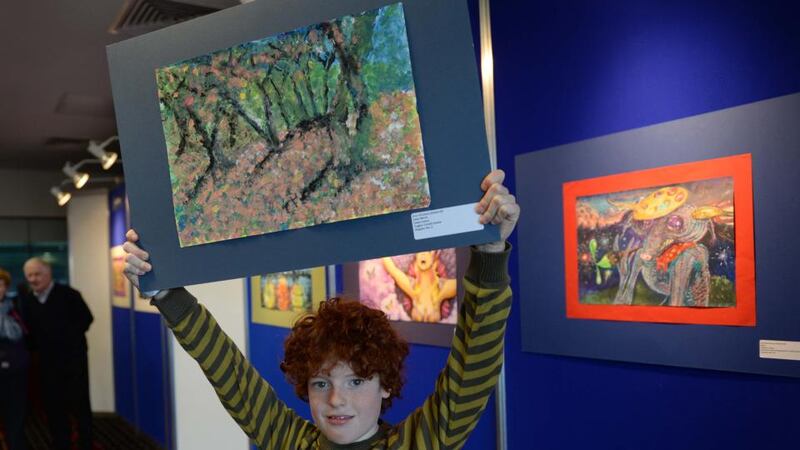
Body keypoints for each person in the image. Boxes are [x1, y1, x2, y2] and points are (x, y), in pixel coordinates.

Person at [123, 169, 520, 449]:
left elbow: (474, 366)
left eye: (356, 381)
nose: (336, 400)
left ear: (385, 386)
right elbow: (230, 373)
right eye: (321, 383)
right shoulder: (291, 441)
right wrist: (167, 294)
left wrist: (489, 252)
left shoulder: (423, 442)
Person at [20, 258, 94, 450]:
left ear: (48, 273)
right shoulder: (27, 301)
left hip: (73, 364)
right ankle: (61, 443)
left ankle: (86, 444)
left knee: (80, 408)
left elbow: (87, 319)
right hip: (46, 365)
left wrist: (64, 338)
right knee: (53, 408)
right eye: (29, 275)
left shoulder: (69, 295)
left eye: (37, 274)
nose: (33, 279)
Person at [0, 268, 30, 450]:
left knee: (15, 419)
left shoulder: (17, 308)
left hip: (14, 372)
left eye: (1, 285)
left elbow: (26, 335)